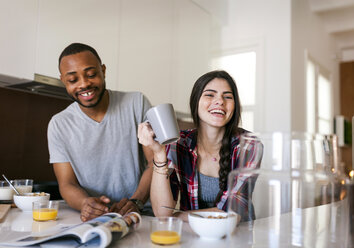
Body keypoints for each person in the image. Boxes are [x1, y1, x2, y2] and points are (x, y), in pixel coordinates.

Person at [47, 43, 153, 222]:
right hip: (94, 219)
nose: (84, 84)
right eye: (73, 80)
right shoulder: (59, 124)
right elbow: (67, 183)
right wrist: (85, 203)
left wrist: (137, 201)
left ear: (103, 70)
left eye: (91, 75)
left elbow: (155, 162)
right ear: (63, 80)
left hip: (142, 214)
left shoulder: (136, 103)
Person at [138, 70, 260, 222]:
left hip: (238, 236)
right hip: (194, 234)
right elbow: (162, 212)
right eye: (210, 94)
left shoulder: (248, 145)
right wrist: (159, 153)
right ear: (196, 102)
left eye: (227, 96)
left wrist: (177, 216)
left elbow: (231, 211)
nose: (220, 101)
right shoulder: (178, 143)